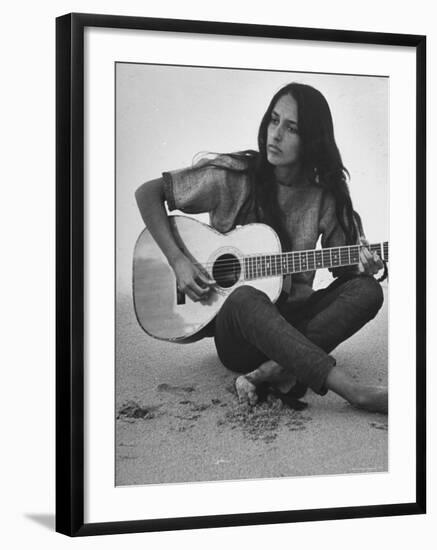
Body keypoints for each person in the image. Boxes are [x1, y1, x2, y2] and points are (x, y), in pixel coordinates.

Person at [135, 82, 388, 414]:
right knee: (245, 296)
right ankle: (354, 392)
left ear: (312, 139)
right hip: (239, 337)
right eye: (274, 120)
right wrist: (179, 260)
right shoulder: (234, 176)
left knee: (368, 290)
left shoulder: (325, 196)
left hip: (296, 325)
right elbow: (148, 193)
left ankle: (271, 371)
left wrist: (364, 265)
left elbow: (345, 270)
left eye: (291, 127)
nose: (276, 134)